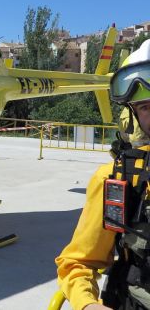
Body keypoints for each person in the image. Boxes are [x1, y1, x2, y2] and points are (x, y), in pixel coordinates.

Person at [56, 40, 150, 310]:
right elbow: (79, 262)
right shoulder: (117, 179)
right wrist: (87, 304)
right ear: (132, 115)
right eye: (146, 107)